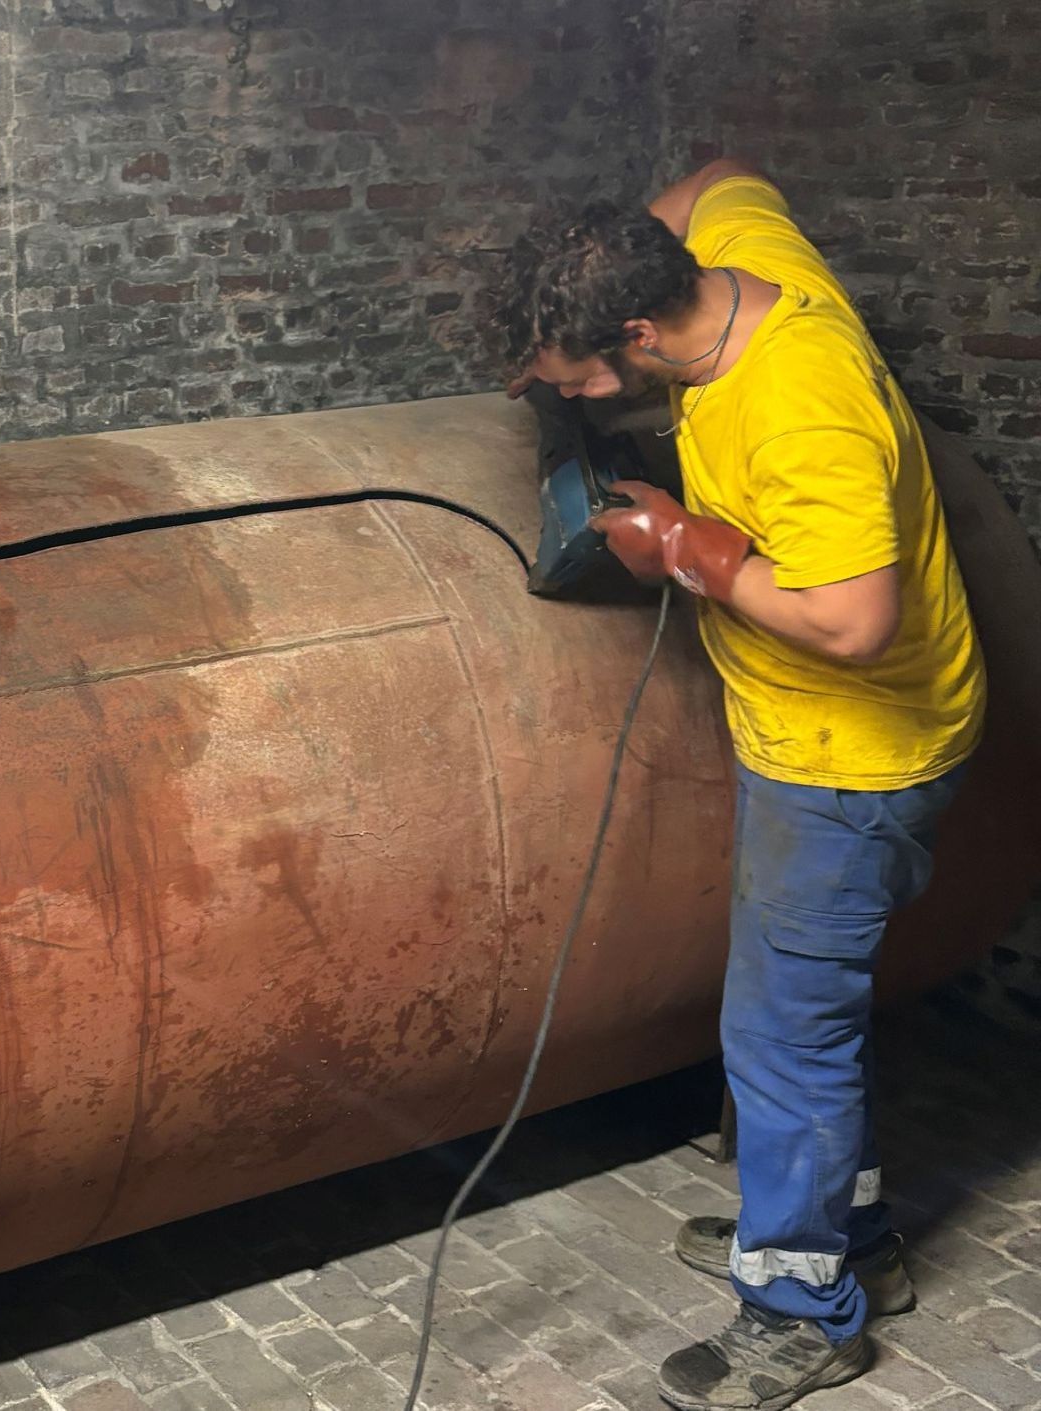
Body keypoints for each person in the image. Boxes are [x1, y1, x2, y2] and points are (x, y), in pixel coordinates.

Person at [488, 163, 986, 1409]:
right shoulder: (735, 254)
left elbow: (857, 618)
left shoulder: (799, 403)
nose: (573, 399)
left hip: (851, 756)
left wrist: (687, 554)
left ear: (641, 334)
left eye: (577, 377)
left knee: (782, 1037)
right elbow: (718, 172)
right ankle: (851, 1236)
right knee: (802, 1019)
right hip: (830, 739)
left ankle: (802, 1308)